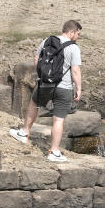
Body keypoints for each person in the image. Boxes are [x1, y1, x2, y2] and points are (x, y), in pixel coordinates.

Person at [9, 20, 83, 162]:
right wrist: (78, 88)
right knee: (58, 118)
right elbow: (75, 70)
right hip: (64, 87)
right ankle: (54, 152)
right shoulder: (74, 48)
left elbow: (37, 59)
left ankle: (24, 133)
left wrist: (43, 77)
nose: (78, 37)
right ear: (71, 32)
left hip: (45, 84)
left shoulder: (47, 41)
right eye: (78, 34)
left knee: (34, 103)